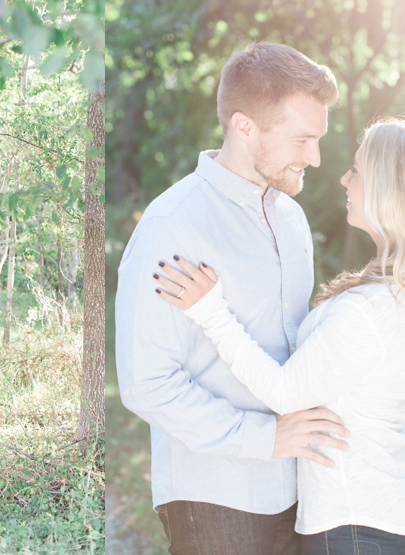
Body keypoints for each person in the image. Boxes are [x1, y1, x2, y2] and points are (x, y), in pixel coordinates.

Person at [154, 118, 405, 555]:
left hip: (354, 519)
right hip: (378, 506)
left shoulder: (370, 311)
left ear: (390, 189)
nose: (344, 178)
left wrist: (211, 312)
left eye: (357, 171)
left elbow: (283, 393)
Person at [115, 42, 348, 555]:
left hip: (302, 488)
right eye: (302, 139)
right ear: (244, 127)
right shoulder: (174, 225)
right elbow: (146, 384)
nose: (314, 157)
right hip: (218, 499)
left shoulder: (291, 218)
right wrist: (263, 439)